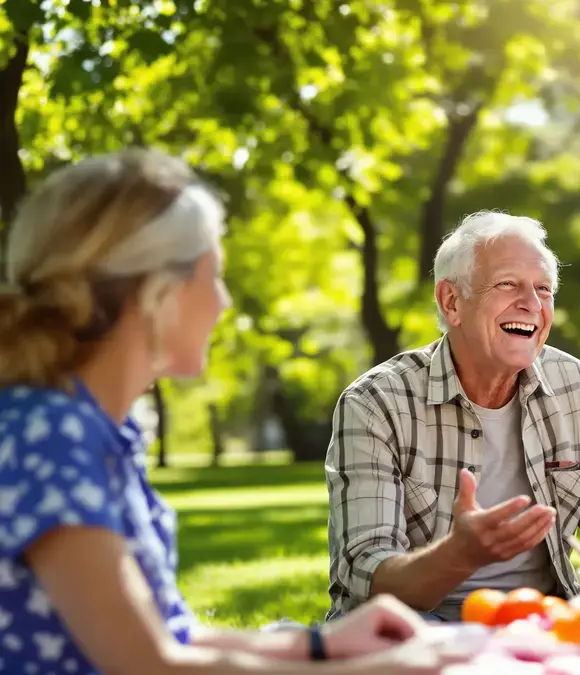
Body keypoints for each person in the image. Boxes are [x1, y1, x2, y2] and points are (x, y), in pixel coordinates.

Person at [0, 149, 463, 674]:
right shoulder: (54, 436)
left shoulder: (94, 429)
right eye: (213, 275)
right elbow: (150, 666)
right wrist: (380, 670)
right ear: (158, 291)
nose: (222, 302)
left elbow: (172, 633)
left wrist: (322, 645)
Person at [326, 211, 580, 623]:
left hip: (545, 619)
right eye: (508, 284)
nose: (531, 304)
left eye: (543, 289)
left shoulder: (577, 389)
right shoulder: (376, 402)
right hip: (422, 626)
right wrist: (459, 556)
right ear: (452, 301)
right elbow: (368, 577)